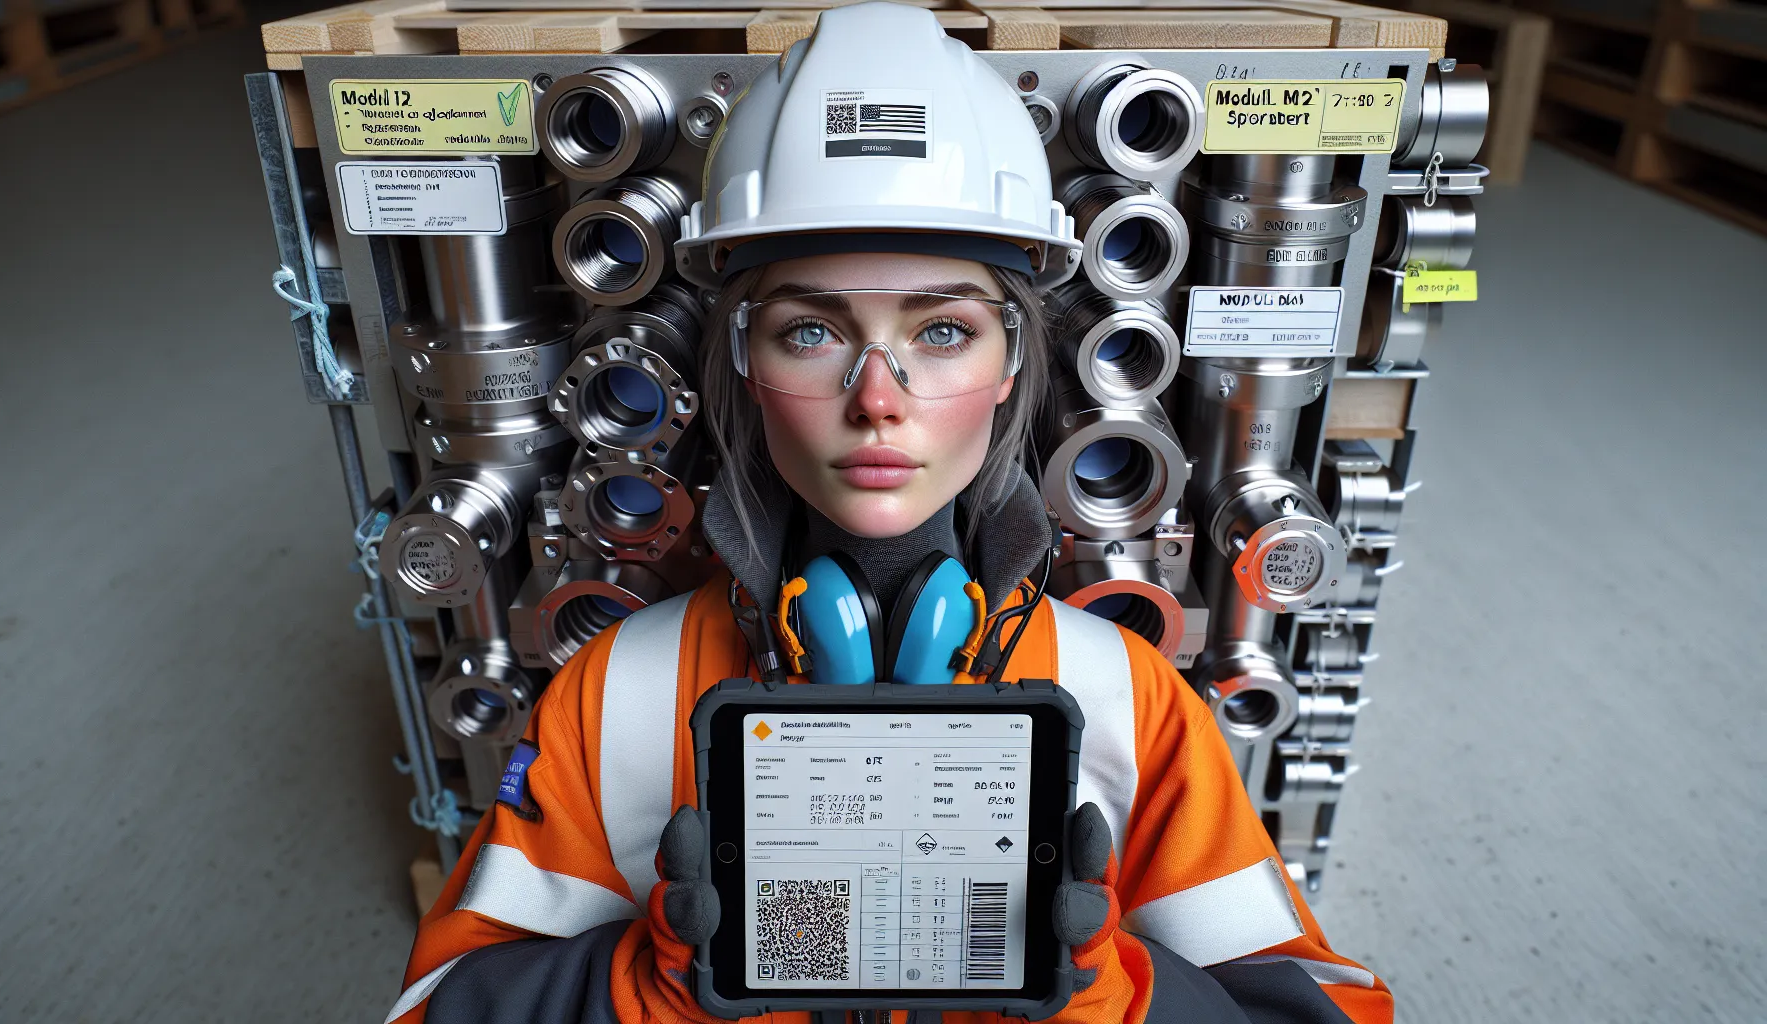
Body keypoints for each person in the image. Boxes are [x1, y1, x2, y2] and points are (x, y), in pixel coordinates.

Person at [385, 4, 1394, 1022]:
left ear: (1011, 369)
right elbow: (431, 1006)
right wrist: (641, 993)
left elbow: (1328, 1008)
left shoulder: (1127, 704)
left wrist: (1112, 997)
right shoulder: (618, 702)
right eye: (813, 329)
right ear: (741, 361)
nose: (879, 396)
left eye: (944, 329)